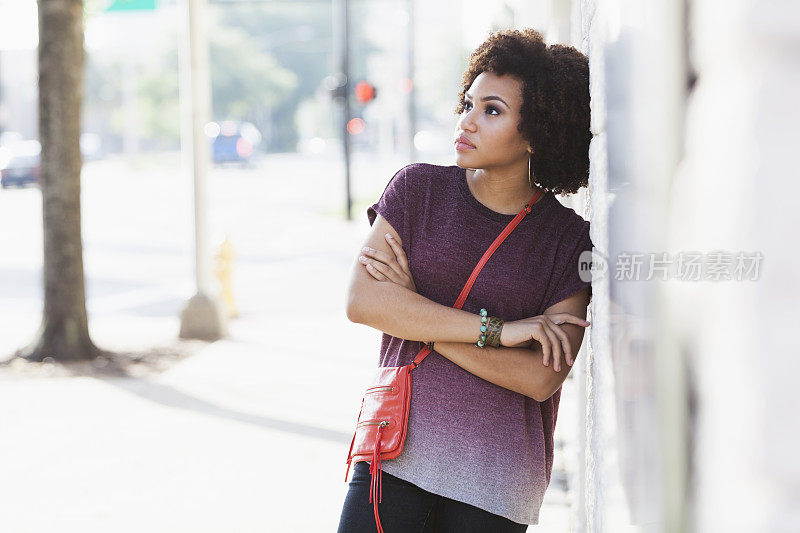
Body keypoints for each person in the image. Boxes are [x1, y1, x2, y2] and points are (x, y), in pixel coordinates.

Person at [337, 27, 593, 532]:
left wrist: (413, 310)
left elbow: (541, 377)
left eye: (492, 110)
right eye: (469, 103)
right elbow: (363, 302)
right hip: (394, 452)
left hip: (497, 481)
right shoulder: (417, 192)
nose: (467, 121)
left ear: (536, 132)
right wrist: (503, 331)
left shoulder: (567, 240)